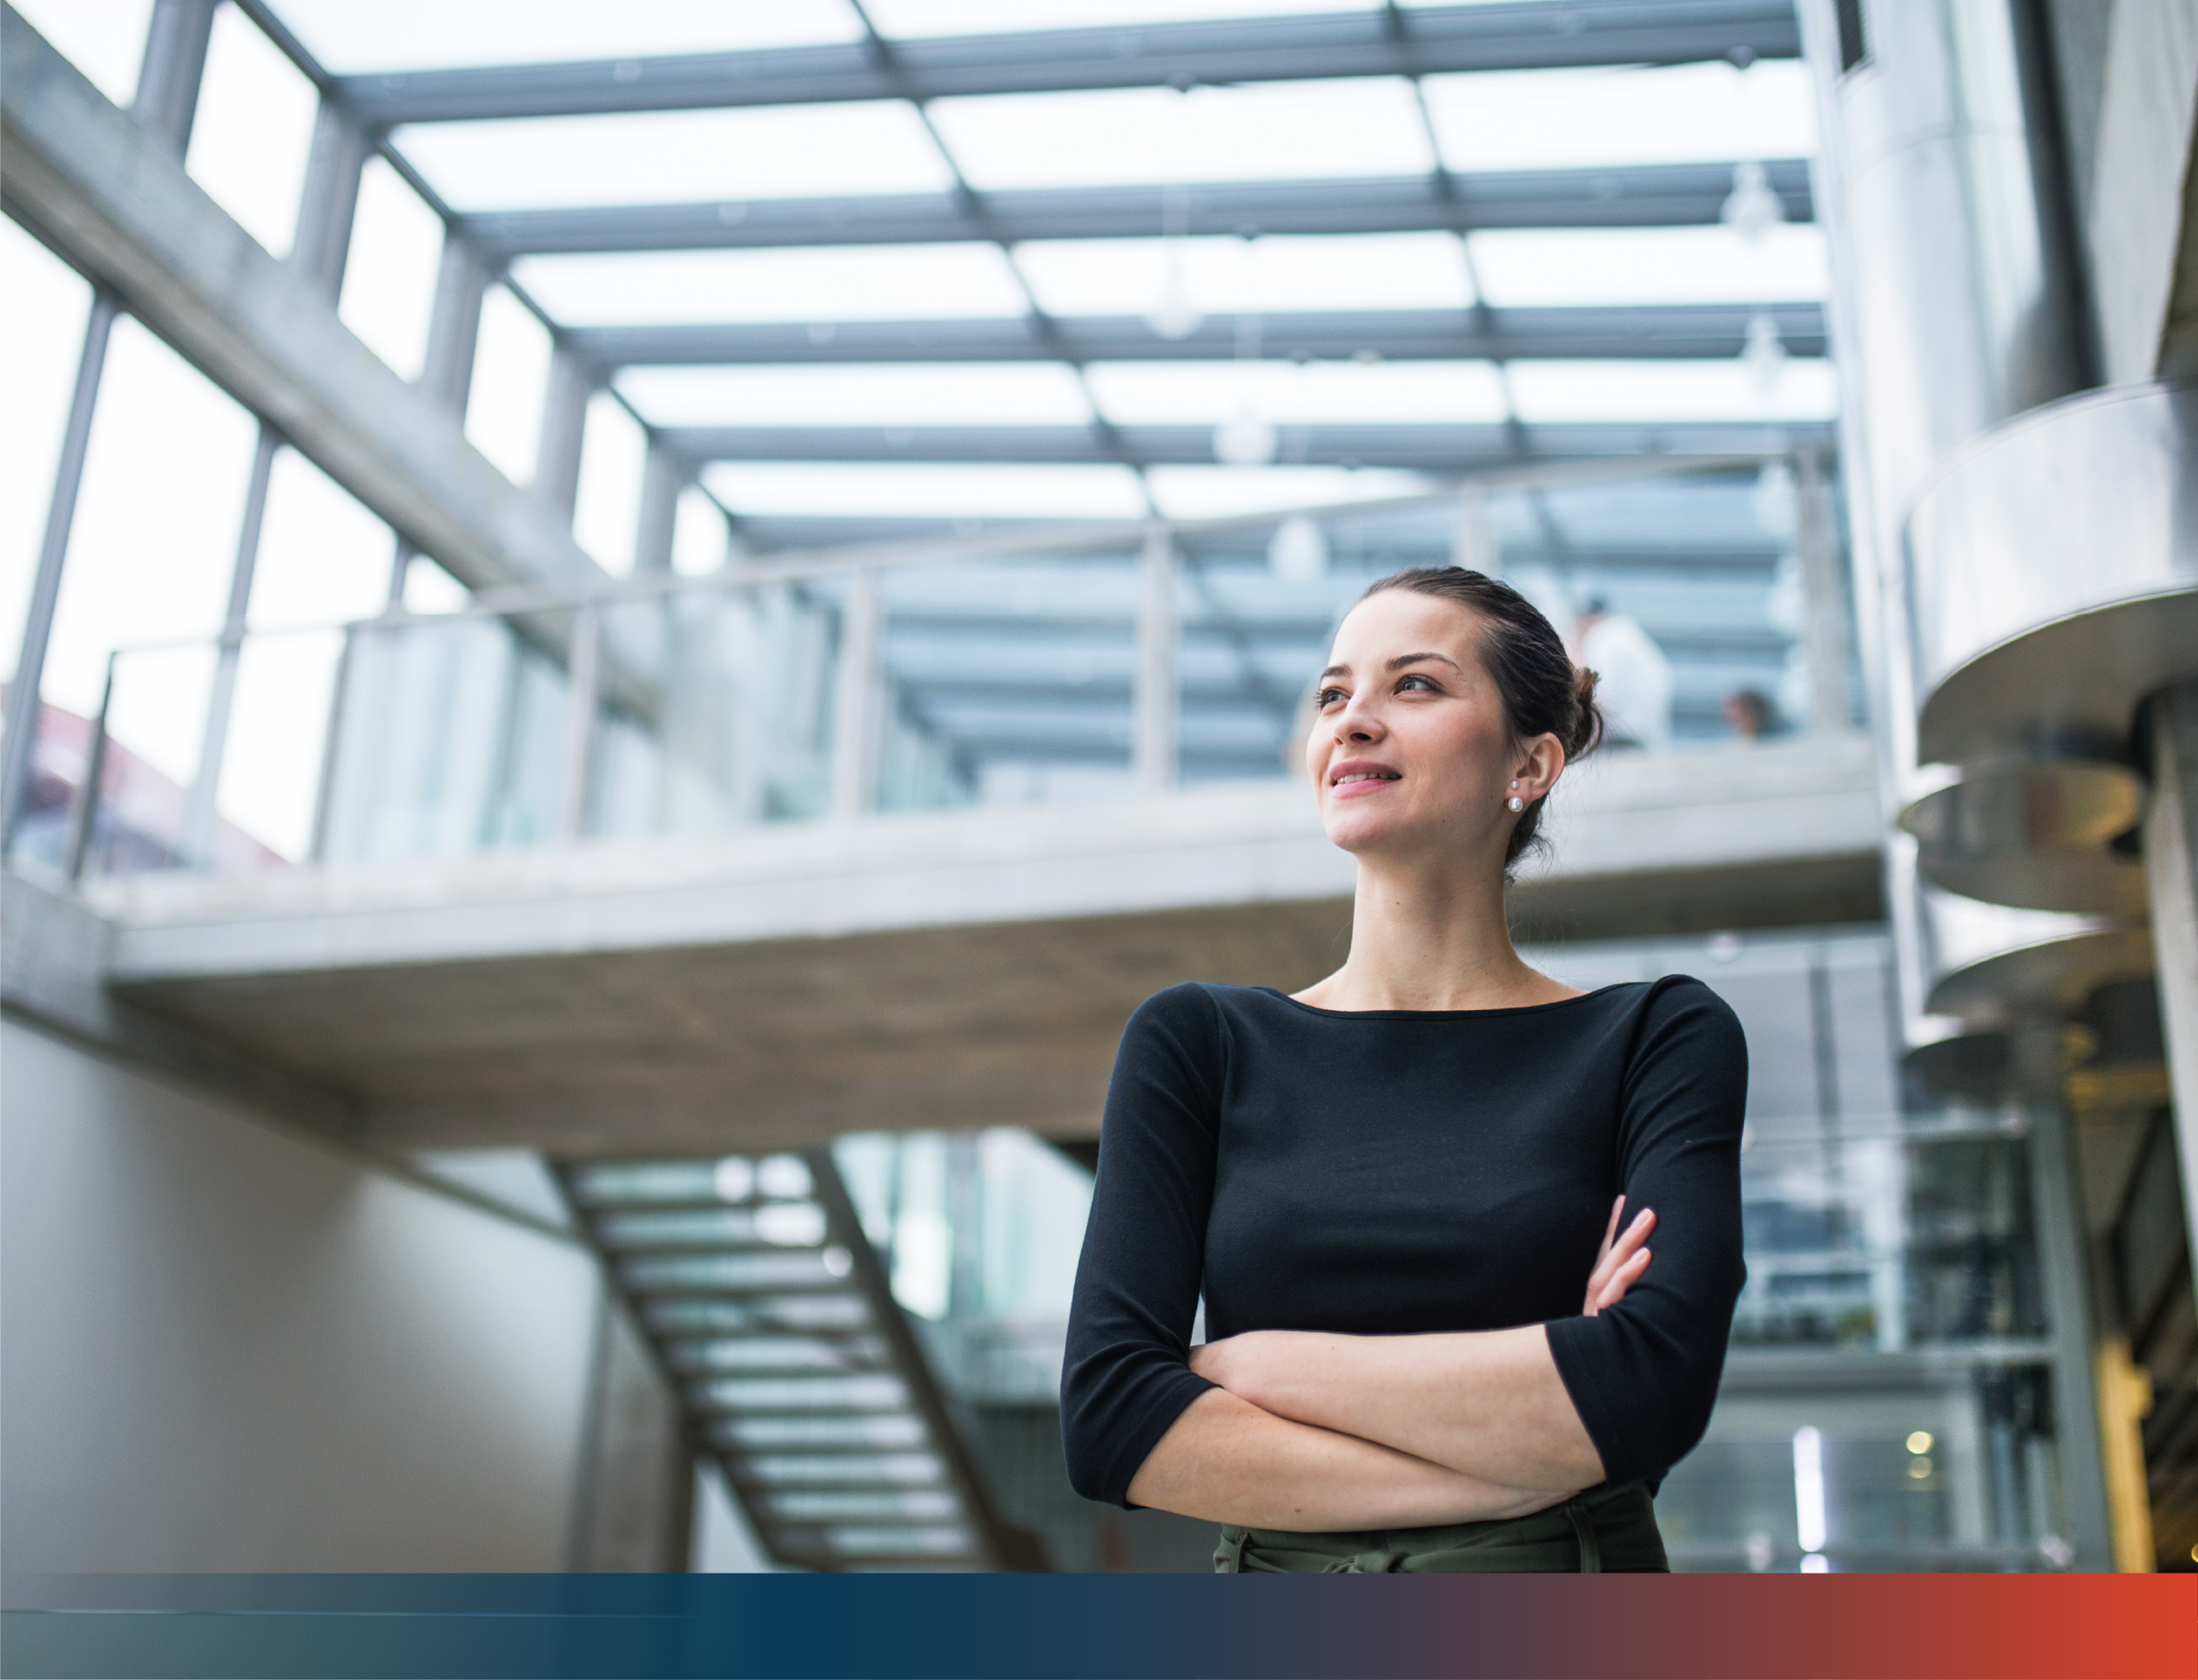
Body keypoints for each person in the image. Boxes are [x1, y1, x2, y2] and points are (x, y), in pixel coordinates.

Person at [1060, 566, 1747, 1574]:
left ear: (1532, 761)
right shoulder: (1197, 1042)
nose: (1354, 720)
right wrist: (1543, 1450)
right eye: (1333, 694)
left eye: (1413, 685)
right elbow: (1113, 1417)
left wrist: (1254, 1367)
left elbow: (1651, 1386)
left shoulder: (1655, 1037)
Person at [1572, 596, 1673, 752]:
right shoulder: (1628, 632)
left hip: (1622, 737)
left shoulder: (1601, 638)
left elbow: (1599, 695)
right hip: (1648, 733)